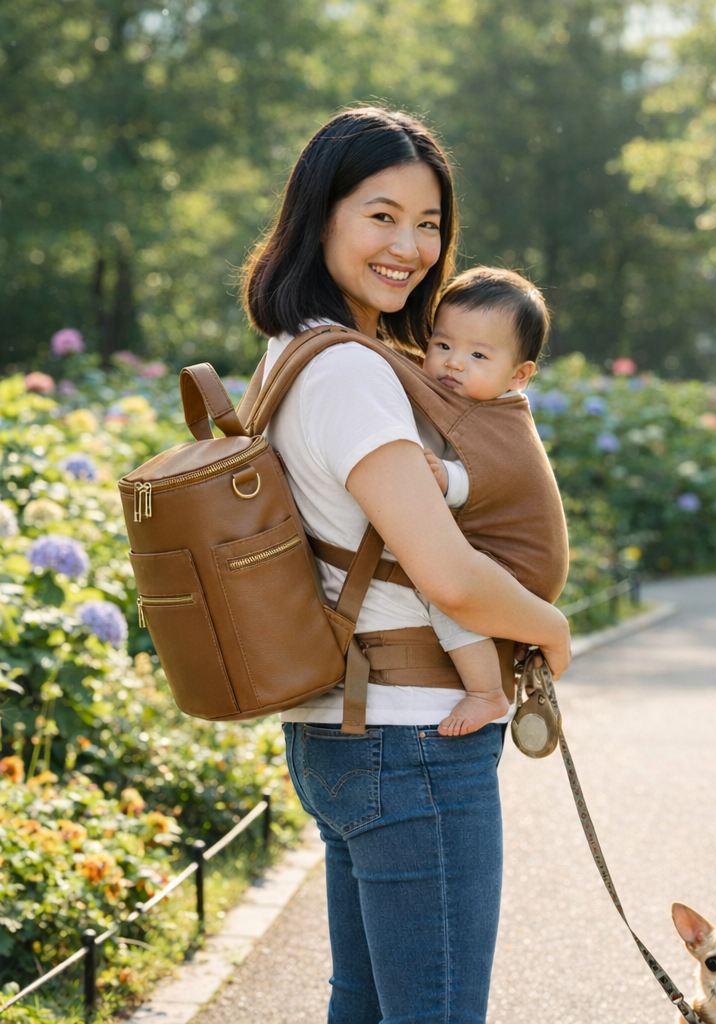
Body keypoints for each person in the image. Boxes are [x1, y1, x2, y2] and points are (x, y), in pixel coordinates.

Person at [242, 107, 571, 1024]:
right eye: (381, 215)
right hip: (416, 738)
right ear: (320, 215)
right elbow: (449, 574)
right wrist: (550, 629)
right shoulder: (351, 374)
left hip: (345, 730)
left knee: (371, 1004)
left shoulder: (291, 353)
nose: (412, 246)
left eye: (429, 224)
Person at [416, 267, 549, 736]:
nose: (453, 363)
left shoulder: (504, 420)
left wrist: (444, 477)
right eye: (443, 345)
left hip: (516, 565)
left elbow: (497, 478)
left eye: (477, 354)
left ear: (518, 376)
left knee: (443, 587)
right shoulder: (468, 401)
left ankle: (486, 693)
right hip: (505, 560)